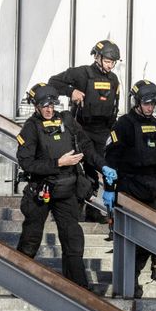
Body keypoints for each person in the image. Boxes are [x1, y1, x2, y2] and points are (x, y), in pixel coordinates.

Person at [15, 82, 101, 289]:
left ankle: (78, 288)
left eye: (51, 104)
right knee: (31, 238)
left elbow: (86, 144)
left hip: (67, 189)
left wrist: (103, 167)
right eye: (44, 105)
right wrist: (58, 163)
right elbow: (26, 162)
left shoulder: (67, 120)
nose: (48, 109)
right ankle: (18, 284)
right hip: (41, 189)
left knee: (73, 238)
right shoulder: (30, 127)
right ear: (36, 106)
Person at [103, 80, 156, 298]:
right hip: (129, 186)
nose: (151, 107)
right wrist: (110, 189)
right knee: (134, 238)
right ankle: (128, 283)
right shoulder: (123, 124)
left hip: (151, 186)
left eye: (154, 104)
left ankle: (153, 263)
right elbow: (111, 159)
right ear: (137, 102)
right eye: (147, 103)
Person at [47, 39, 121, 223]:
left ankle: (96, 211)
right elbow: (53, 82)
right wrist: (71, 91)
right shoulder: (81, 73)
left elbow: (114, 106)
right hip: (82, 128)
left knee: (104, 167)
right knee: (86, 171)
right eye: (107, 61)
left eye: (113, 62)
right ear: (97, 57)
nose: (110, 65)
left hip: (103, 130)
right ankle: (75, 210)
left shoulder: (114, 79)